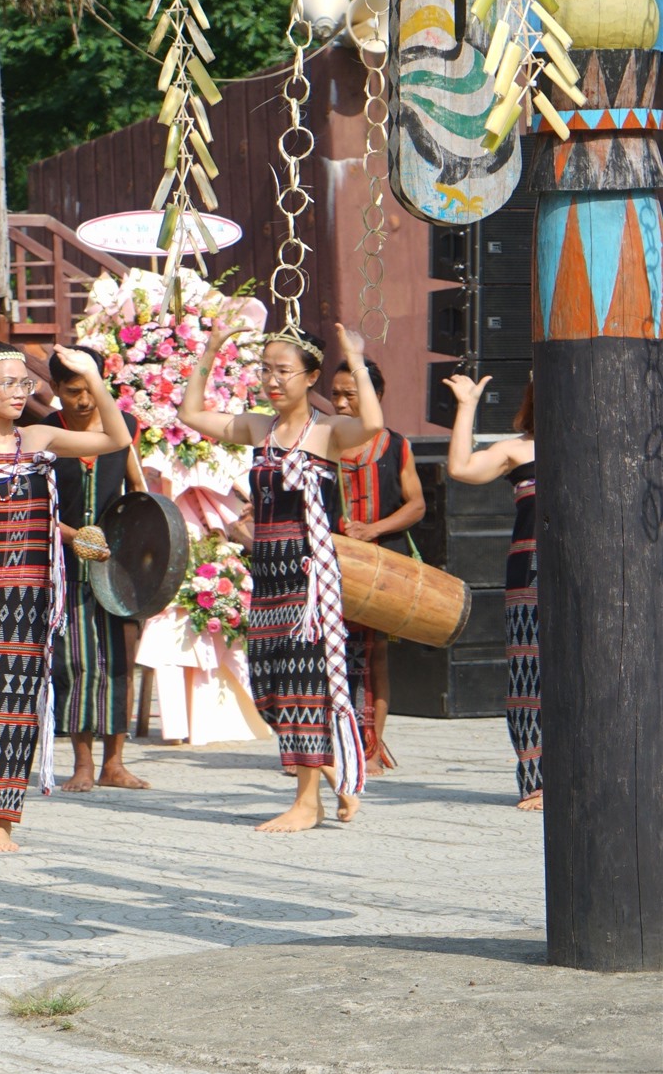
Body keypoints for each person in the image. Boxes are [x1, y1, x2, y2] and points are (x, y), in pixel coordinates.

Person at [0, 341, 130, 852]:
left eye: (25, 383)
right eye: (8, 384)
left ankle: (1, 824)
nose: (20, 393)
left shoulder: (39, 437)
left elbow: (114, 439)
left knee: (13, 703)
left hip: (27, 593)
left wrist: (93, 379)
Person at [179, 322, 381, 831]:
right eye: (265, 369)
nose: (272, 380)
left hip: (310, 576)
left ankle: (306, 802)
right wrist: (208, 352)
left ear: (310, 376)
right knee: (268, 682)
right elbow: (190, 414)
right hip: (268, 571)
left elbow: (372, 425)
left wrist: (355, 359)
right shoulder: (258, 428)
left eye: (283, 371)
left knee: (304, 685)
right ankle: (327, 766)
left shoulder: (328, 431)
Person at [44, 349, 149, 792]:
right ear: (55, 391)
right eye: (73, 391)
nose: (84, 400)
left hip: (115, 565)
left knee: (119, 660)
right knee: (73, 660)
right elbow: (36, 506)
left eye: (91, 388)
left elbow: (137, 485)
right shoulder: (45, 433)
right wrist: (74, 537)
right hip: (65, 563)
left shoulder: (123, 426)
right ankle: (82, 762)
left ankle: (115, 763)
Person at [443, 373, 540, 810]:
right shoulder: (516, 449)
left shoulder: (606, 439)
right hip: (530, 576)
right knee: (529, 676)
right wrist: (467, 405)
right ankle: (538, 780)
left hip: (596, 578)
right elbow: (462, 468)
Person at [332, 359, 426, 775]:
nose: (339, 402)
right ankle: (322, 751)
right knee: (326, 654)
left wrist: (373, 529)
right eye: (335, 394)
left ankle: (371, 749)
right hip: (328, 561)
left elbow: (416, 505)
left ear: (374, 397)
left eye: (349, 395)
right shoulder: (320, 442)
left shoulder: (396, 446)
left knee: (374, 656)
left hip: (378, 567)